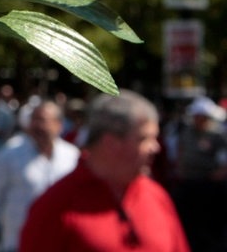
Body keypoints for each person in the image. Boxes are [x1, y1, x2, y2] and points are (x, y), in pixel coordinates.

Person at [19, 90, 189, 252]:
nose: (156, 148)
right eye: (144, 139)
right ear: (111, 143)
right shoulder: (56, 206)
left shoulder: (158, 198)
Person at [0, 100, 78, 252]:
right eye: (34, 120)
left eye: (43, 120)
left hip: (57, 243)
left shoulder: (71, 157)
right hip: (16, 241)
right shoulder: (12, 152)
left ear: (59, 125)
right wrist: (3, 220)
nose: (37, 126)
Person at [169, 96, 227, 252]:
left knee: (210, 224)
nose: (198, 120)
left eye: (202, 117)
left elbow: (223, 162)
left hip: (209, 185)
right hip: (188, 183)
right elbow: (181, 152)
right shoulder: (186, 133)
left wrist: (216, 176)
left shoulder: (218, 135)